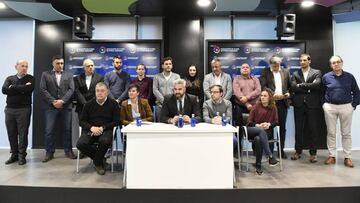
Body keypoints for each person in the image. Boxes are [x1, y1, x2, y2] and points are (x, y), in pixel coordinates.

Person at [322, 55, 359, 168]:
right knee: (331, 132)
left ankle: (347, 157)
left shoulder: (349, 77)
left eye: (338, 62)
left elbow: (357, 92)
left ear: (342, 63)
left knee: (346, 133)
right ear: (331, 65)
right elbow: (321, 92)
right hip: (330, 107)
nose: (336, 64)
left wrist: (353, 105)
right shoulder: (326, 77)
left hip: (346, 107)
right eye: (334, 63)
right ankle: (332, 156)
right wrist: (324, 104)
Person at [76, 82, 120, 175]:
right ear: (95, 92)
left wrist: (102, 128)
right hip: (90, 130)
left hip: (105, 129)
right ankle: (100, 159)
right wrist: (91, 127)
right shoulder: (88, 104)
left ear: (107, 92)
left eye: (102, 91)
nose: (99, 93)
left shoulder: (113, 104)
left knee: (104, 141)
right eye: (97, 91)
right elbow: (82, 121)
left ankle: (97, 163)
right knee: (80, 144)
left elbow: (116, 121)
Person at [39, 55, 76, 162]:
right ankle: (49, 152)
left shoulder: (69, 74)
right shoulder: (45, 74)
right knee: (49, 131)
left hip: (66, 106)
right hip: (51, 107)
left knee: (67, 130)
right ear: (53, 64)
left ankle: (68, 151)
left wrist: (62, 101)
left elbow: (71, 89)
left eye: (62, 63)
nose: (60, 65)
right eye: (58, 63)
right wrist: (53, 101)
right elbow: (43, 89)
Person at [290, 54, 322, 163]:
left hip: (312, 104)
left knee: (313, 129)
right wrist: (308, 87)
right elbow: (293, 87)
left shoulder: (316, 72)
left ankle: (313, 154)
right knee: (298, 129)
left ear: (309, 61)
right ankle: (298, 151)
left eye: (304, 60)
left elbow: (317, 85)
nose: (302, 62)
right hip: (298, 104)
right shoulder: (295, 73)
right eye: (300, 60)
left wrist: (301, 85)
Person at [2, 60, 34, 165]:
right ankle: (14, 155)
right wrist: (22, 88)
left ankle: (22, 156)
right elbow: (4, 90)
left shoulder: (30, 78)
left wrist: (13, 87)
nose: (24, 68)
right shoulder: (9, 78)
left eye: (26, 66)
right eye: (22, 66)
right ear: (16, 66)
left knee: (23, 133)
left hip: (24, 109)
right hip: (9, 109)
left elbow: (29, 88)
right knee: (11, 133)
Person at [259, 55, 291, 159]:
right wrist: (272, 95)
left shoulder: (286, 72)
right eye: (273, 65)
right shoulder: (265, 72)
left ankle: (281, 150)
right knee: (269, 127)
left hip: (282, 103)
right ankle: (270, 151)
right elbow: (263, 86)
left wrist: (287, 94)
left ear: (280, 64)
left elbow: (290, 87)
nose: (275, 67)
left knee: (282, 127)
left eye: (277, 65)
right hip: (270, 103)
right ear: (270, 64)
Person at [246, 89, 280, 175]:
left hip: (265, 133)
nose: (262, 97)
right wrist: (258, 125)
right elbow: (249, 122)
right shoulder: (256, 106)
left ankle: (258, 165)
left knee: (258, 139)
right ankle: (270, 156)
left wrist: (269, 124)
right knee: (260, 132)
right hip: (252, 130)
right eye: (261, 95)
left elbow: (276, 122)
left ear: (270, 98)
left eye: (265, 96)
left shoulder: (273, 108)